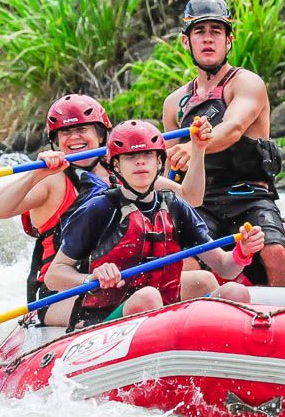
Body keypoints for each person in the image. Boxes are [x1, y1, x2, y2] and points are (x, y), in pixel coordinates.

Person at [0, 94, 215, 326]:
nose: (74, 137)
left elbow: (191, 197)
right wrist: (36, 174)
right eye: (65, 132)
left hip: (123, 280)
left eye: (82, 129)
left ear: (101, 134)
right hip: (66, 289)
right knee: (145, 298)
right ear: (56, 141)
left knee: (203, 281)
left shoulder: (125, 169)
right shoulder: (52, 181)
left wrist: (198, 150)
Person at [45, 120, 265, 327]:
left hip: (165, 310)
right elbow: (53, 276)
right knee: (148, 297)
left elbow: (226, 268)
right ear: (116, 166)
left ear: (159, 162)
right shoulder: (100, 208)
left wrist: (241, 253)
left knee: (236, 292)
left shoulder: (175, 206)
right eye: (130, 157)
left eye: (147, 154)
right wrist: (90, 278)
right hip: (109, 317)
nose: (140, 161)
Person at [162, 0, 285, 287]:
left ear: (229, 40)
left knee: (273, 252)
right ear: (187, 42)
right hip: (201, 203)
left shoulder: (246, 83)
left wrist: (193, 146)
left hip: (249, 197)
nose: (208, 39)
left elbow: (233, 127)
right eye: (199, 31)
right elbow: (170, 172)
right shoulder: (175, 103)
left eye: (216, 32)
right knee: (183, 259)